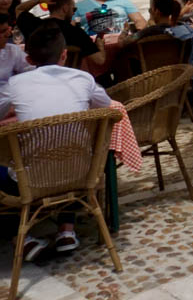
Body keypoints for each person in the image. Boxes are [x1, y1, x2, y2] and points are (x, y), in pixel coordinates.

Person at [0, 24, 114, 260]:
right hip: (82, 173)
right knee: (69, 148)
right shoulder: (84, 78)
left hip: (33, 181)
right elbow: (105, 106)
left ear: (29, 59)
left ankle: (19, 238)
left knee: (15, 164)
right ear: (64, 54)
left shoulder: (14, 85)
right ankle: (67, 231)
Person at [121, 0, 193, 76]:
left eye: (151, 10)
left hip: (150, 77)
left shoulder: (149, 31)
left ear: (157, 11)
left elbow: (123, 43)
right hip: (178, 75)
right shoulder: (182, 31)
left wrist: (125, 30)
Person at [13, 0, 103, 70]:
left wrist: (40, 0)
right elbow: (100, 60)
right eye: (73, 10)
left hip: (33, 76)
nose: (73, 13)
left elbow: (19, 9)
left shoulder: (33, 25)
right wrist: (100, 45)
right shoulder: (76, 33)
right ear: (65, 9)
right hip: (66, 80)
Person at [0, 15, 34, 84]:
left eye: (8, 29)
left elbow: (31, 70)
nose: (8, 35)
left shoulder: (12, 50)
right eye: (3, 31)